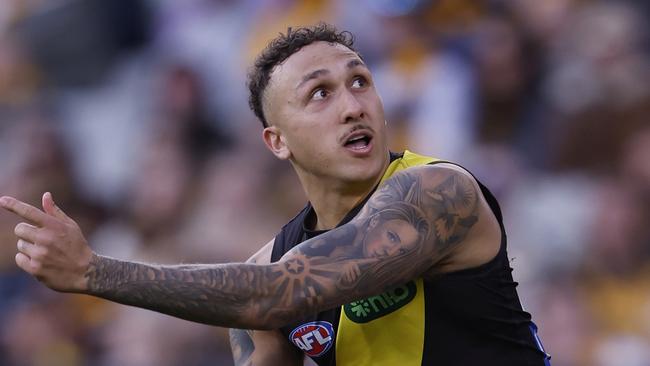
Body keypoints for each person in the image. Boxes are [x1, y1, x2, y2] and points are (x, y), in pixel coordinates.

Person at [0, 23, 551, 365]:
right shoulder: (268, 265)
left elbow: (281, 294)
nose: (353, 104)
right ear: (277, 141)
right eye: (320, 93)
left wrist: (96, 273)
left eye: (361, 81)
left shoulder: (436, 190)